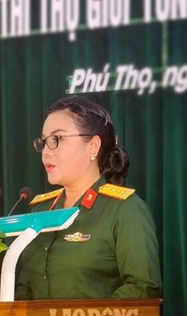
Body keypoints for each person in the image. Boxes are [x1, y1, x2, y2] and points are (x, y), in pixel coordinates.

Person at [15, 96, 161, 300]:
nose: (46, 152)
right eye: (45, 142)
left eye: (57, 139)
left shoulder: (125, 210)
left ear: (93, 146)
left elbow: (143, 288)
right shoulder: (41, 210)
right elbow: (25, 288)